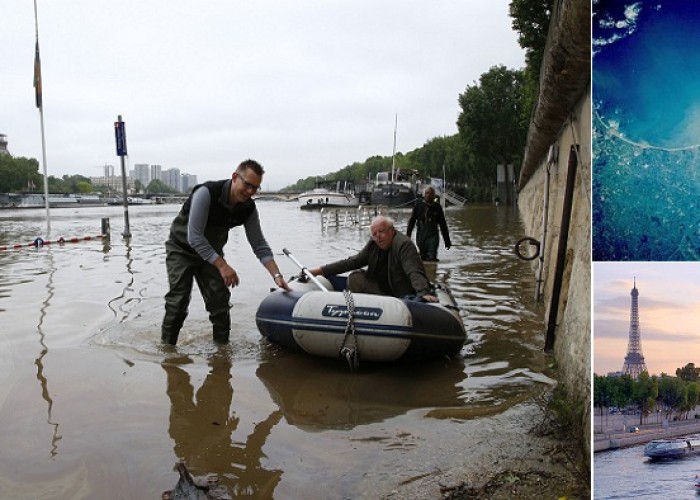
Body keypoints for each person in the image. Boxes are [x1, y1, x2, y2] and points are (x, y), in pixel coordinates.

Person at [161, 159, 290, 345]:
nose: (250, 192)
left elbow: (259, 244)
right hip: (182, 249)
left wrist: (277, 276)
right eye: (247, 185)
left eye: (256, 188)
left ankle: (222, 354)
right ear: (235, 177)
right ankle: (168, 351)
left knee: (220, 301)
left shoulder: (248, 208)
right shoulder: (206, 193)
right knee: (178, 302)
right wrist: (222, 265)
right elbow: (195, 237)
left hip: (211, 254)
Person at [308, 216, 437, 302]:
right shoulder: (373, 244)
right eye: (374, 234)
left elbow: (413, 271)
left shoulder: (404, 245)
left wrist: (423, 293)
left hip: (399, 295)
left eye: (381, 232)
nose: (378, 237)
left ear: (392, 231)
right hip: (380, 290)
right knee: (355, 277)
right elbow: (352, 262)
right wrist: (320, 271)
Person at [406, 185, 452, 261]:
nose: (428, 195)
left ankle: (432, 271)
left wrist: (447, 241)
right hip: (421, 236)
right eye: (427, 193)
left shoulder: (437, 207)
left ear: (434, 196)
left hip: (433, 237)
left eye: (431, 193)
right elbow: (411, 222)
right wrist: (408, 237)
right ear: (424, 195)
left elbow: (443, 225)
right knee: (423, 258)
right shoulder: (418, 206)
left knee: (432, 258)